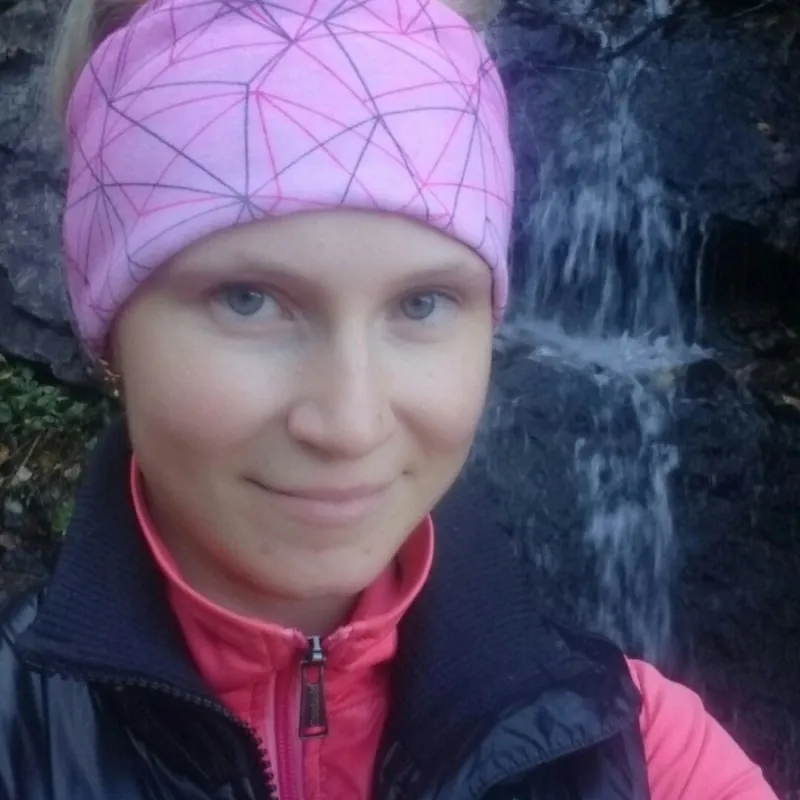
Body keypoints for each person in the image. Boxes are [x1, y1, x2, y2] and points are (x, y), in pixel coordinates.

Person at [0, 0, 779, 797]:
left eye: (422, 303)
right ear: (110, 329)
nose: (350, 423)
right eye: (249, 300)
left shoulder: (649, 752)